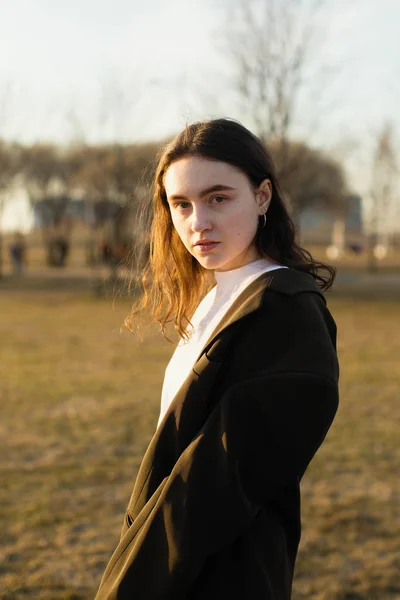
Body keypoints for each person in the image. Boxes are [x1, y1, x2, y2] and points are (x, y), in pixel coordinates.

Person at [95, 118, 339, 600]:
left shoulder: (284, 311)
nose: (197, 222)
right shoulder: (220, 294)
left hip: (224, 575)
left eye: (219, 198)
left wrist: (132, 585)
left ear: (263, 196)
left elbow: (214, 486)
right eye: (180, 204)